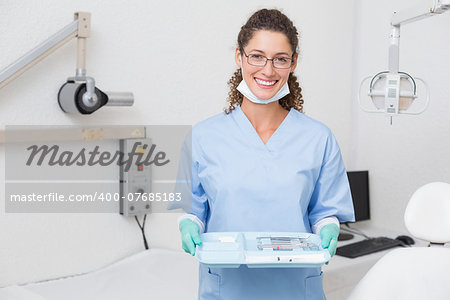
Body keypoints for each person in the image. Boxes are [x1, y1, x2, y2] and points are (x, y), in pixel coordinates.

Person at [176, 8, 355, 300]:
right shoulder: (203, 137)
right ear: (239, 57)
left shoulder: (318, 138)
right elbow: (194, 211)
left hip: (295, 286)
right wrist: (188, 225)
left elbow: (324, 212)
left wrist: (328, 229)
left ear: (293, 62)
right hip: (227, 286)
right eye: (257, 56)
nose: (268, 70)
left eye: (280, 59)